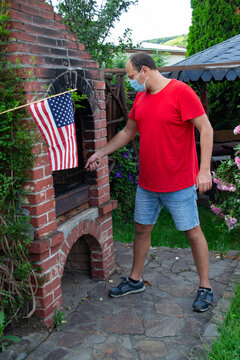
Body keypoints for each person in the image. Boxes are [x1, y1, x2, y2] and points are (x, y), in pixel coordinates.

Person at [85, 52, 214, 312]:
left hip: (178, 182)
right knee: (141, 230)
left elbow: (206, 129)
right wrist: (101, 152)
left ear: (145, 70)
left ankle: (205, 286)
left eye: (132, 76)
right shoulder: (141, 99)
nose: (132, 82)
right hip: (147, 183)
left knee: (192, 232)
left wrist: (204, 170)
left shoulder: (181, 92)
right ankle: (135, 279)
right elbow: (127, 131)